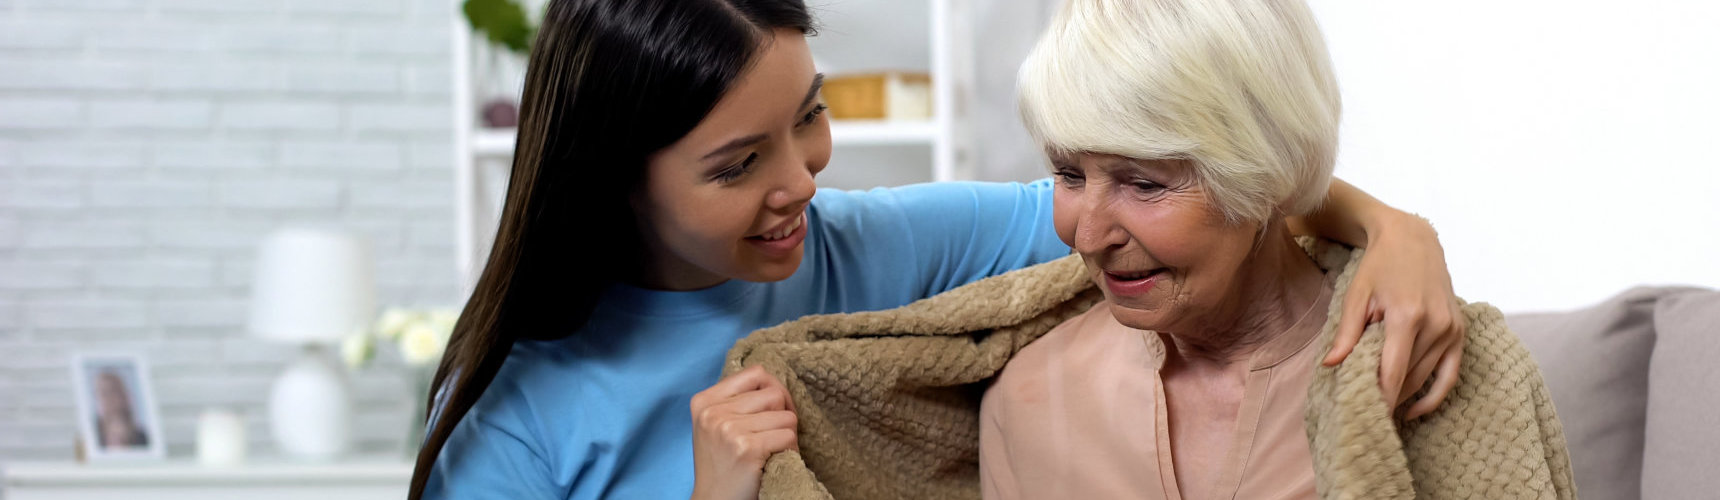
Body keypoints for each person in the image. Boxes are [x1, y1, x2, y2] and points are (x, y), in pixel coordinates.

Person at [410, 1, 1467, 499]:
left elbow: (1167, 184)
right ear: (613, 177)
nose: (805, 181)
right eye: (739, 164)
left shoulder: (872, 247)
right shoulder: (516, 409)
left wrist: (1389, 227)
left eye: (810, 118)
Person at [978, 1, 1562, 498]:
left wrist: (1401, 229)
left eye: (1145, 183)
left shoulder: (1433, 368)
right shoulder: (1029, 400)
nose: (1087, 236)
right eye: (1069, 175)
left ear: (1268, 174)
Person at [93, 370, 150, 450]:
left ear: (122, 395)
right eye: (103, 393)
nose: (108, 399)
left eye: (112, 392)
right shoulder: (92, 436)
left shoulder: (142, 437)